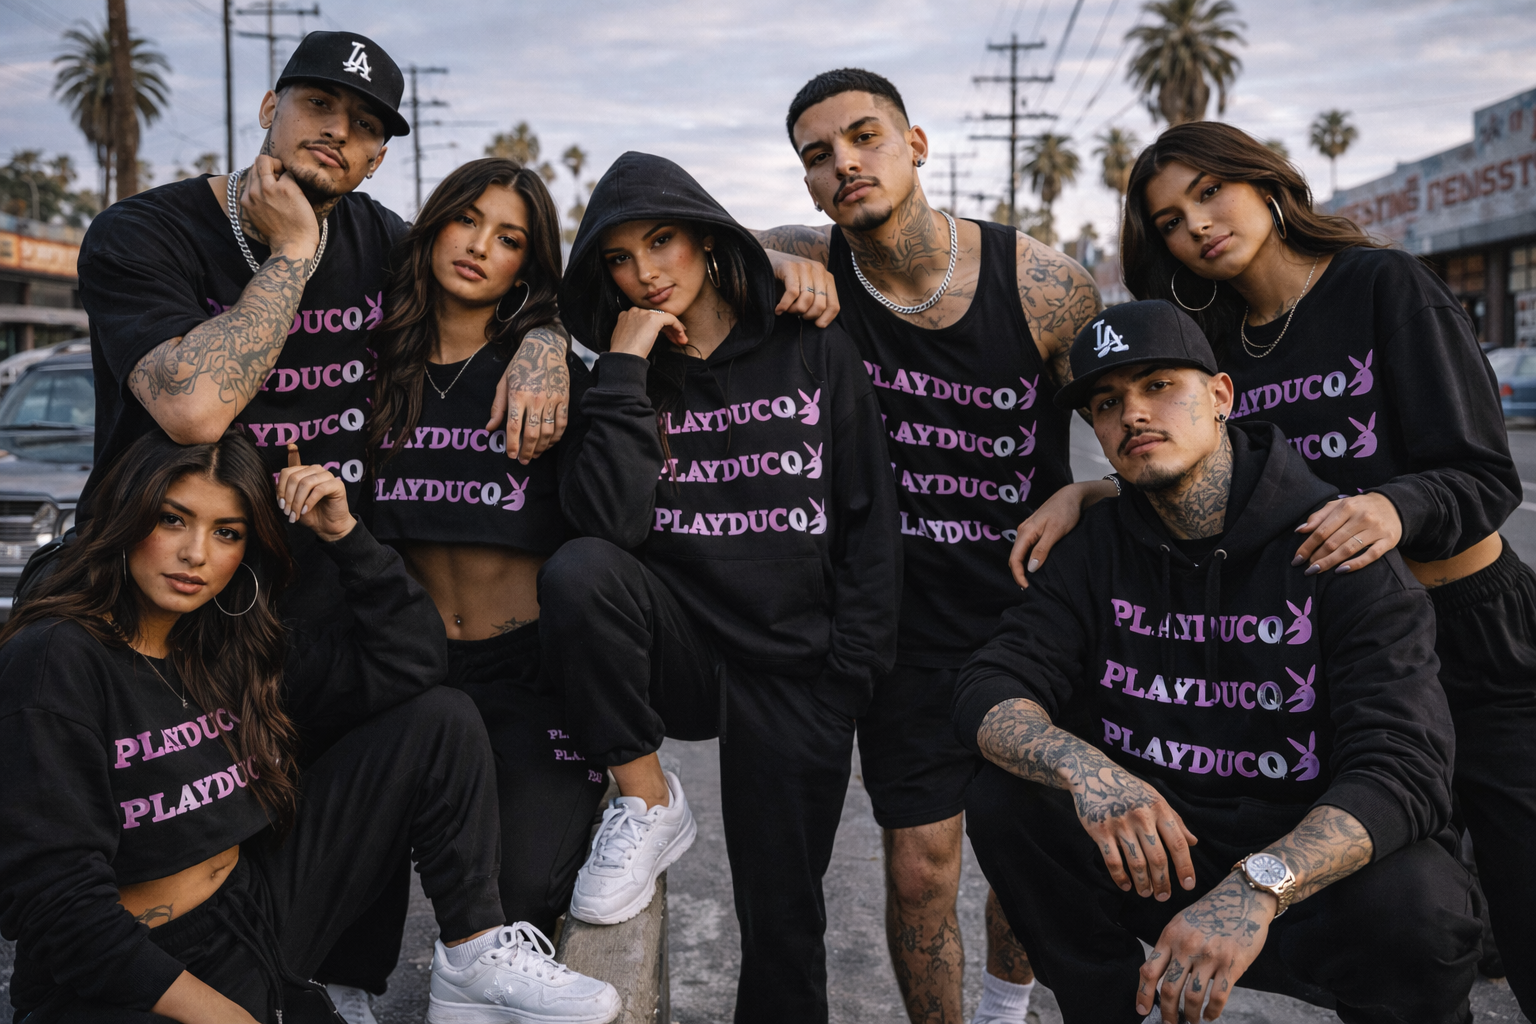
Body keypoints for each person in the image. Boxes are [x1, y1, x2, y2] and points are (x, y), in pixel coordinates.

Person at [1015, 120, 1535, 1013]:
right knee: (1405, 906)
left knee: (1524, 906)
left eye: (1211, 192)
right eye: (1172, 221)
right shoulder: (1214, 342)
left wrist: (1393, 505)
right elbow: (1211, 473)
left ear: (1264, 182)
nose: (1198, 226)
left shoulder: (1383, 288)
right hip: (1338, 654)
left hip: (1470, 636)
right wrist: (1090, 495)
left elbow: (1486, 476)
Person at [957, 300, 1479, 1023]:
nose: (1132, 414)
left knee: (1424, 902)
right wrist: (1090, 772)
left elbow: (1406, 769)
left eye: (1158, 385)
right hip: (1159, 849)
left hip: (1303, 871)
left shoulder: (1338, 549)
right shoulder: (1093, 548)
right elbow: (990, 683)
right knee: (1007, 796)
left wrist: (1260, 885)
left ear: (1221, 396)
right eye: (1107, 403)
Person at [0, 429, 620, 1024]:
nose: (196, 554)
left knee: (439, 720)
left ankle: (474, 952)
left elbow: (412, 661)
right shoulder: (57, 657)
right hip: (127, 973)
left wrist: (345, 536)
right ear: (127, 519)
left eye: (226, 533)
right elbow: (58, 907)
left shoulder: (223, 644)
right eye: (172, 519)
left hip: (251, 915)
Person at [754, 68, 1100, 1024]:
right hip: (895, 624)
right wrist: (769, 264)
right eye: (817, 156)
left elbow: (1156, 438)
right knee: (918, 874)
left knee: (1027, 852)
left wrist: (1088, 490)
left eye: (864, 137)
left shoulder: (1041, 283)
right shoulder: (802, 261)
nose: (844, 163)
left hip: (1029, 618)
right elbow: (664, 246)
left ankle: (1003, 1008)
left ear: (916, 144)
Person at [540, 150, 901, 1024]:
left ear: (704, 242)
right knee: (579, 570)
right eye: (620, 259)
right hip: (684, 652)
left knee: (783, 919)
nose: (644, 272)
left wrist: (847, 674)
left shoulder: (810, 345)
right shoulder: (621, 376)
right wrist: (622, 371)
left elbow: (868, 513)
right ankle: (649, 800)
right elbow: (606, 529)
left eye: (661, 242)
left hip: (795, 673)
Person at [72, 30, 569, 628]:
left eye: (364, 125)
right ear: (268, 109)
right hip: (167, 592)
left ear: (377, 159)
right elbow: (194, 410)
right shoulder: (140, 233)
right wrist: (293, 248)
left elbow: (494, 282)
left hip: (321, 597)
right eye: (318, 104)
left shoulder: (382, 240)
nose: (338, 130)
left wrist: (546, 341)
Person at [338, 157, 610, 1009]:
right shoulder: (371, 365)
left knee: (522, 890)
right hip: (409, 662)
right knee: (362, 855)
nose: (478, 247)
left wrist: (550, 335)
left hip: (529, 672)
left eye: (509, 239)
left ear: (526, 266)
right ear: (434, 227)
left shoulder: (550, 372)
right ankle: (344, 991)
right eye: (466, 221)